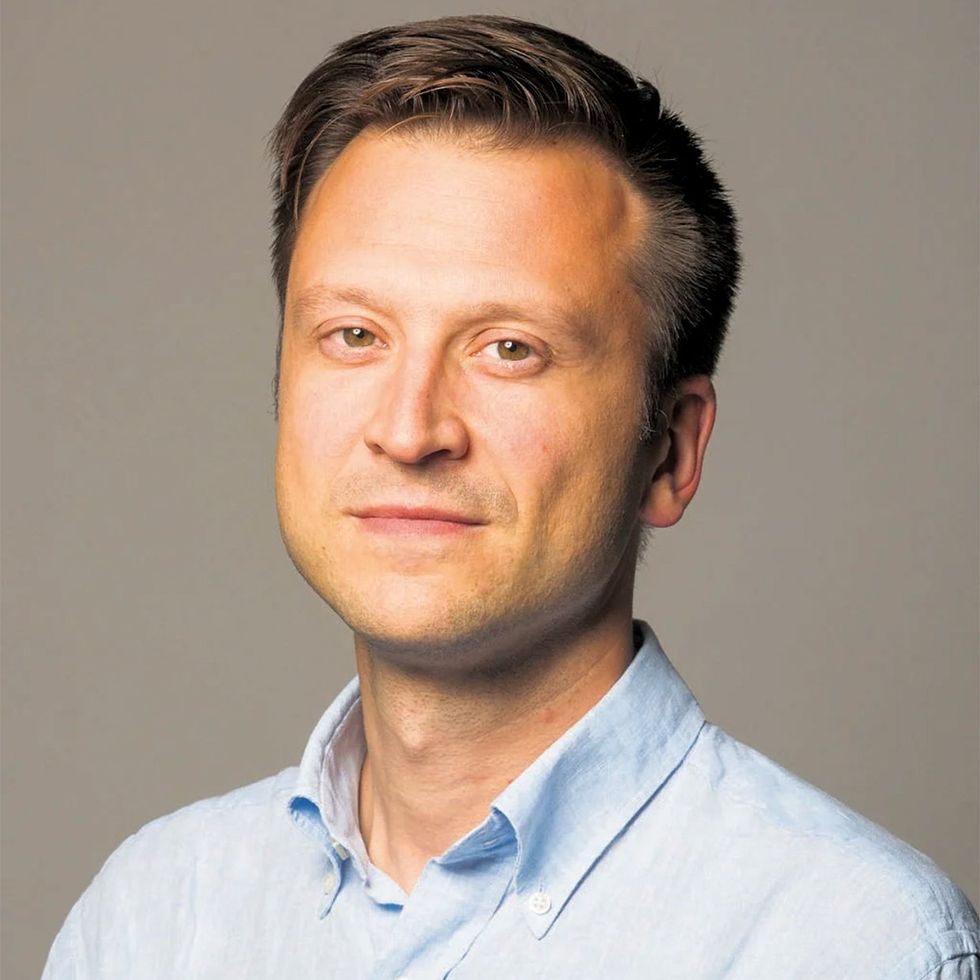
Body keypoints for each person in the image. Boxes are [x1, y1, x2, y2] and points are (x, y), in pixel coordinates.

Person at [43, 13, 978, 979]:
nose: (410, 431)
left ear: (671, 450)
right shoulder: (152, 917)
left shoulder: (854, 943)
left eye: (510, 349)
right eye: (355, 335)